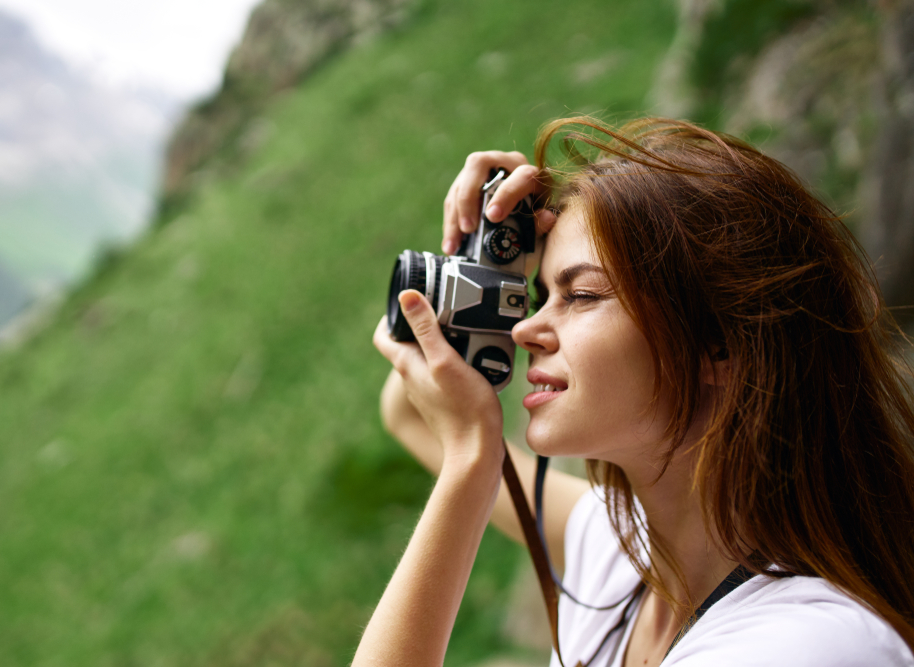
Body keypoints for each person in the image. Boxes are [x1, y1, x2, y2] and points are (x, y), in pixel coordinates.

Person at [357, 117, 914, 667]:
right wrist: (487, 263)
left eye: (581, 295)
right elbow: (406, 411)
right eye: (539, 292)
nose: (525, 329)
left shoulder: (810, 646)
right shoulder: (620, 551)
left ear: (716, 345)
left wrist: (471, 457)